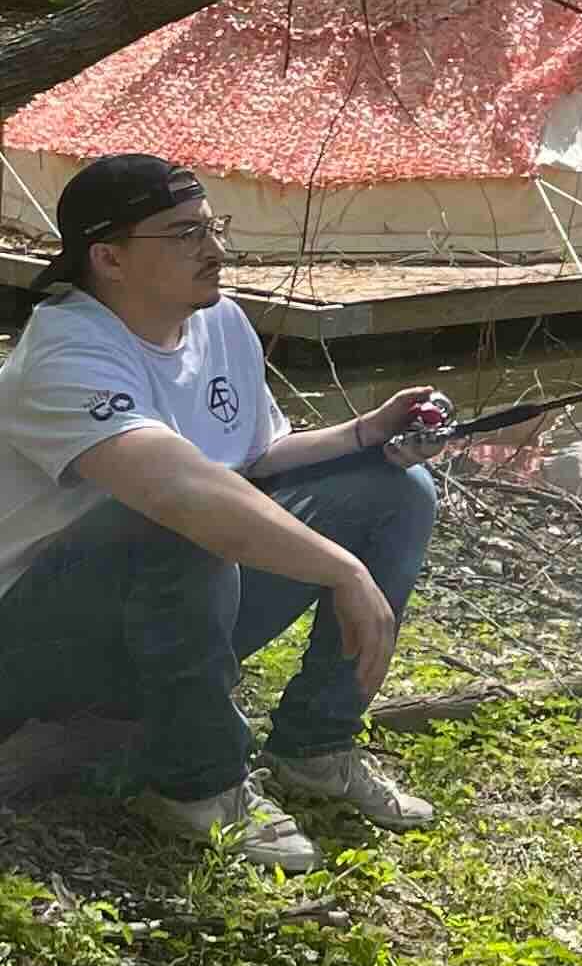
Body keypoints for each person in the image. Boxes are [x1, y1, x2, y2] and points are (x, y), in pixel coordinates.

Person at [0, 152, 447, 875]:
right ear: (108, 257)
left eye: (212, 227)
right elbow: (179, 491)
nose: (214, 250)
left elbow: (257, 455)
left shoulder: (220, 323)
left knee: (394, 489)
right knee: (177, 519)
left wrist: (366, 434)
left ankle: (314, 747)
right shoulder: (64, 352)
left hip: (153, 617)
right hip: (29, 646)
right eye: (183, 235)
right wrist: (343, 571)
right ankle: (197, 785)